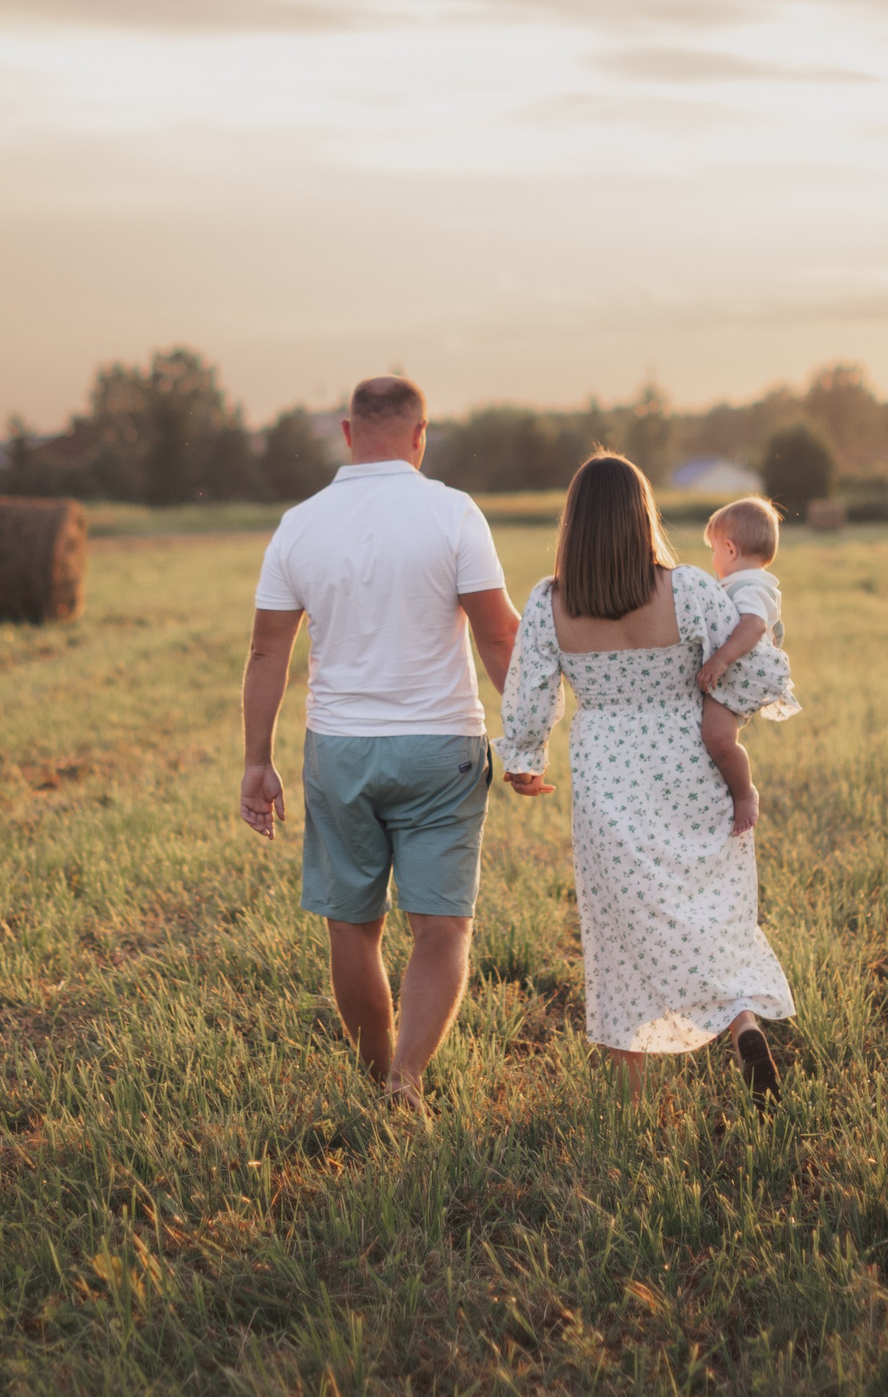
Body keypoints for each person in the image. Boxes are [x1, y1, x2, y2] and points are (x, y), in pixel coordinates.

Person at [238, 377, 521, 1119]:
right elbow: (499, 635)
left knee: (353, 927)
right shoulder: (453, 512)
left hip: (339, 750)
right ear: (421, 434)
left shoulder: (300, 523)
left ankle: (377, 1082)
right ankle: (406, 1081)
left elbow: (267, 653)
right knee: (442, 926)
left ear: (347, 432)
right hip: (441, 748)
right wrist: (526, 738)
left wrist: (257, 761)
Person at [496, 453, 797, 1106]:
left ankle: (629, 1099)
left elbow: (529, 694)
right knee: (709, 909)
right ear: (645, 516)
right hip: (689, 765)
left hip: (607, 775)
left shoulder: (550, 602)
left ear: (574, 522)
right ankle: (741, 1020)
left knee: (619, 932)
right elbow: (753, 668)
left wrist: (523, 758)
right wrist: (724, 713)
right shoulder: (688, 589)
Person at [692, 496, 800, 835]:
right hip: (733, 672)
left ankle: (744, 793)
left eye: (713, 549)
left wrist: (720, 659)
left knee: (718, 738)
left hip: (737, 675)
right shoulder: (746, 583)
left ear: (730, 549)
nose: (713, 558)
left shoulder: (749, 587)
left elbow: (753, 626)